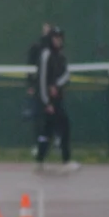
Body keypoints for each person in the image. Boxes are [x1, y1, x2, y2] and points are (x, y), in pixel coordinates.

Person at [35, 26, 78, 172]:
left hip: (58, 99)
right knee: (52, 130)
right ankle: (62, 160)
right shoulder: (46, 54)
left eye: (60, 38)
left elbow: (66, 75)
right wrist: (46, 102)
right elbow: (41, 80)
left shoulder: (61, 56)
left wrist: (56, 85)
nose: (58, 41)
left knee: (52, 129)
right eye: (55, 38)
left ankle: (41, 160)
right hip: (48, 101)